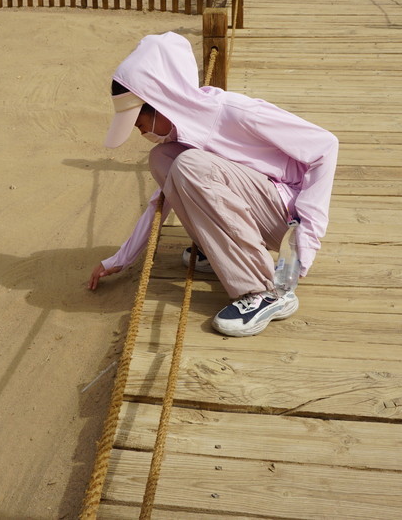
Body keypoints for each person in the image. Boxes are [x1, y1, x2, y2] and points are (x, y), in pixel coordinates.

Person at [86, 32, 338, 337]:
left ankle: (264, 292)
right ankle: (218, 248)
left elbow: (325, 146)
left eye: (140, 124)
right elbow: (162, 200)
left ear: (158, 102)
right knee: (163, 158)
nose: (140, 133)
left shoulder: (235, 111)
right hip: (257, 207)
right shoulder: (184, 133)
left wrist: (305, 243)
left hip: (285, 220)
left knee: (190, 165)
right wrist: (121, 258)